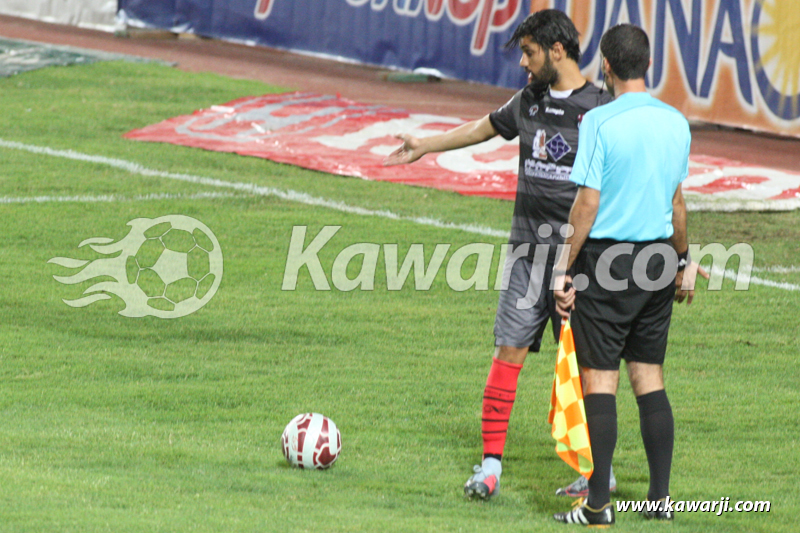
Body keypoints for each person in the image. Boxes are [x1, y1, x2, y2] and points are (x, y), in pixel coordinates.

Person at [384, 9, 618, 500]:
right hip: (527, 258)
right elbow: (483, 127)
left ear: (557, 51)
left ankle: (599, 471)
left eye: (529, 53)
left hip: (581, 261)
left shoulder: (602, 107)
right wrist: (425, 145)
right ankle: (490, 465)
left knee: (586, 365)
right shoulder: (529, 100)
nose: (524, 65)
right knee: (507, 351)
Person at [551, 23, 703, 526]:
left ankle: (597, 506)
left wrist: (562, 269)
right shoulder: (676, 122)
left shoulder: (600, 122)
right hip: (659, 260)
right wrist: (683, 262)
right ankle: (659, 502)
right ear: (649, 65)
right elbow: (678, 205)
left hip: (608, 262)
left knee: (600, 380)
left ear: (607, 67)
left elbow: (586, 205)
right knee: (649, 376)